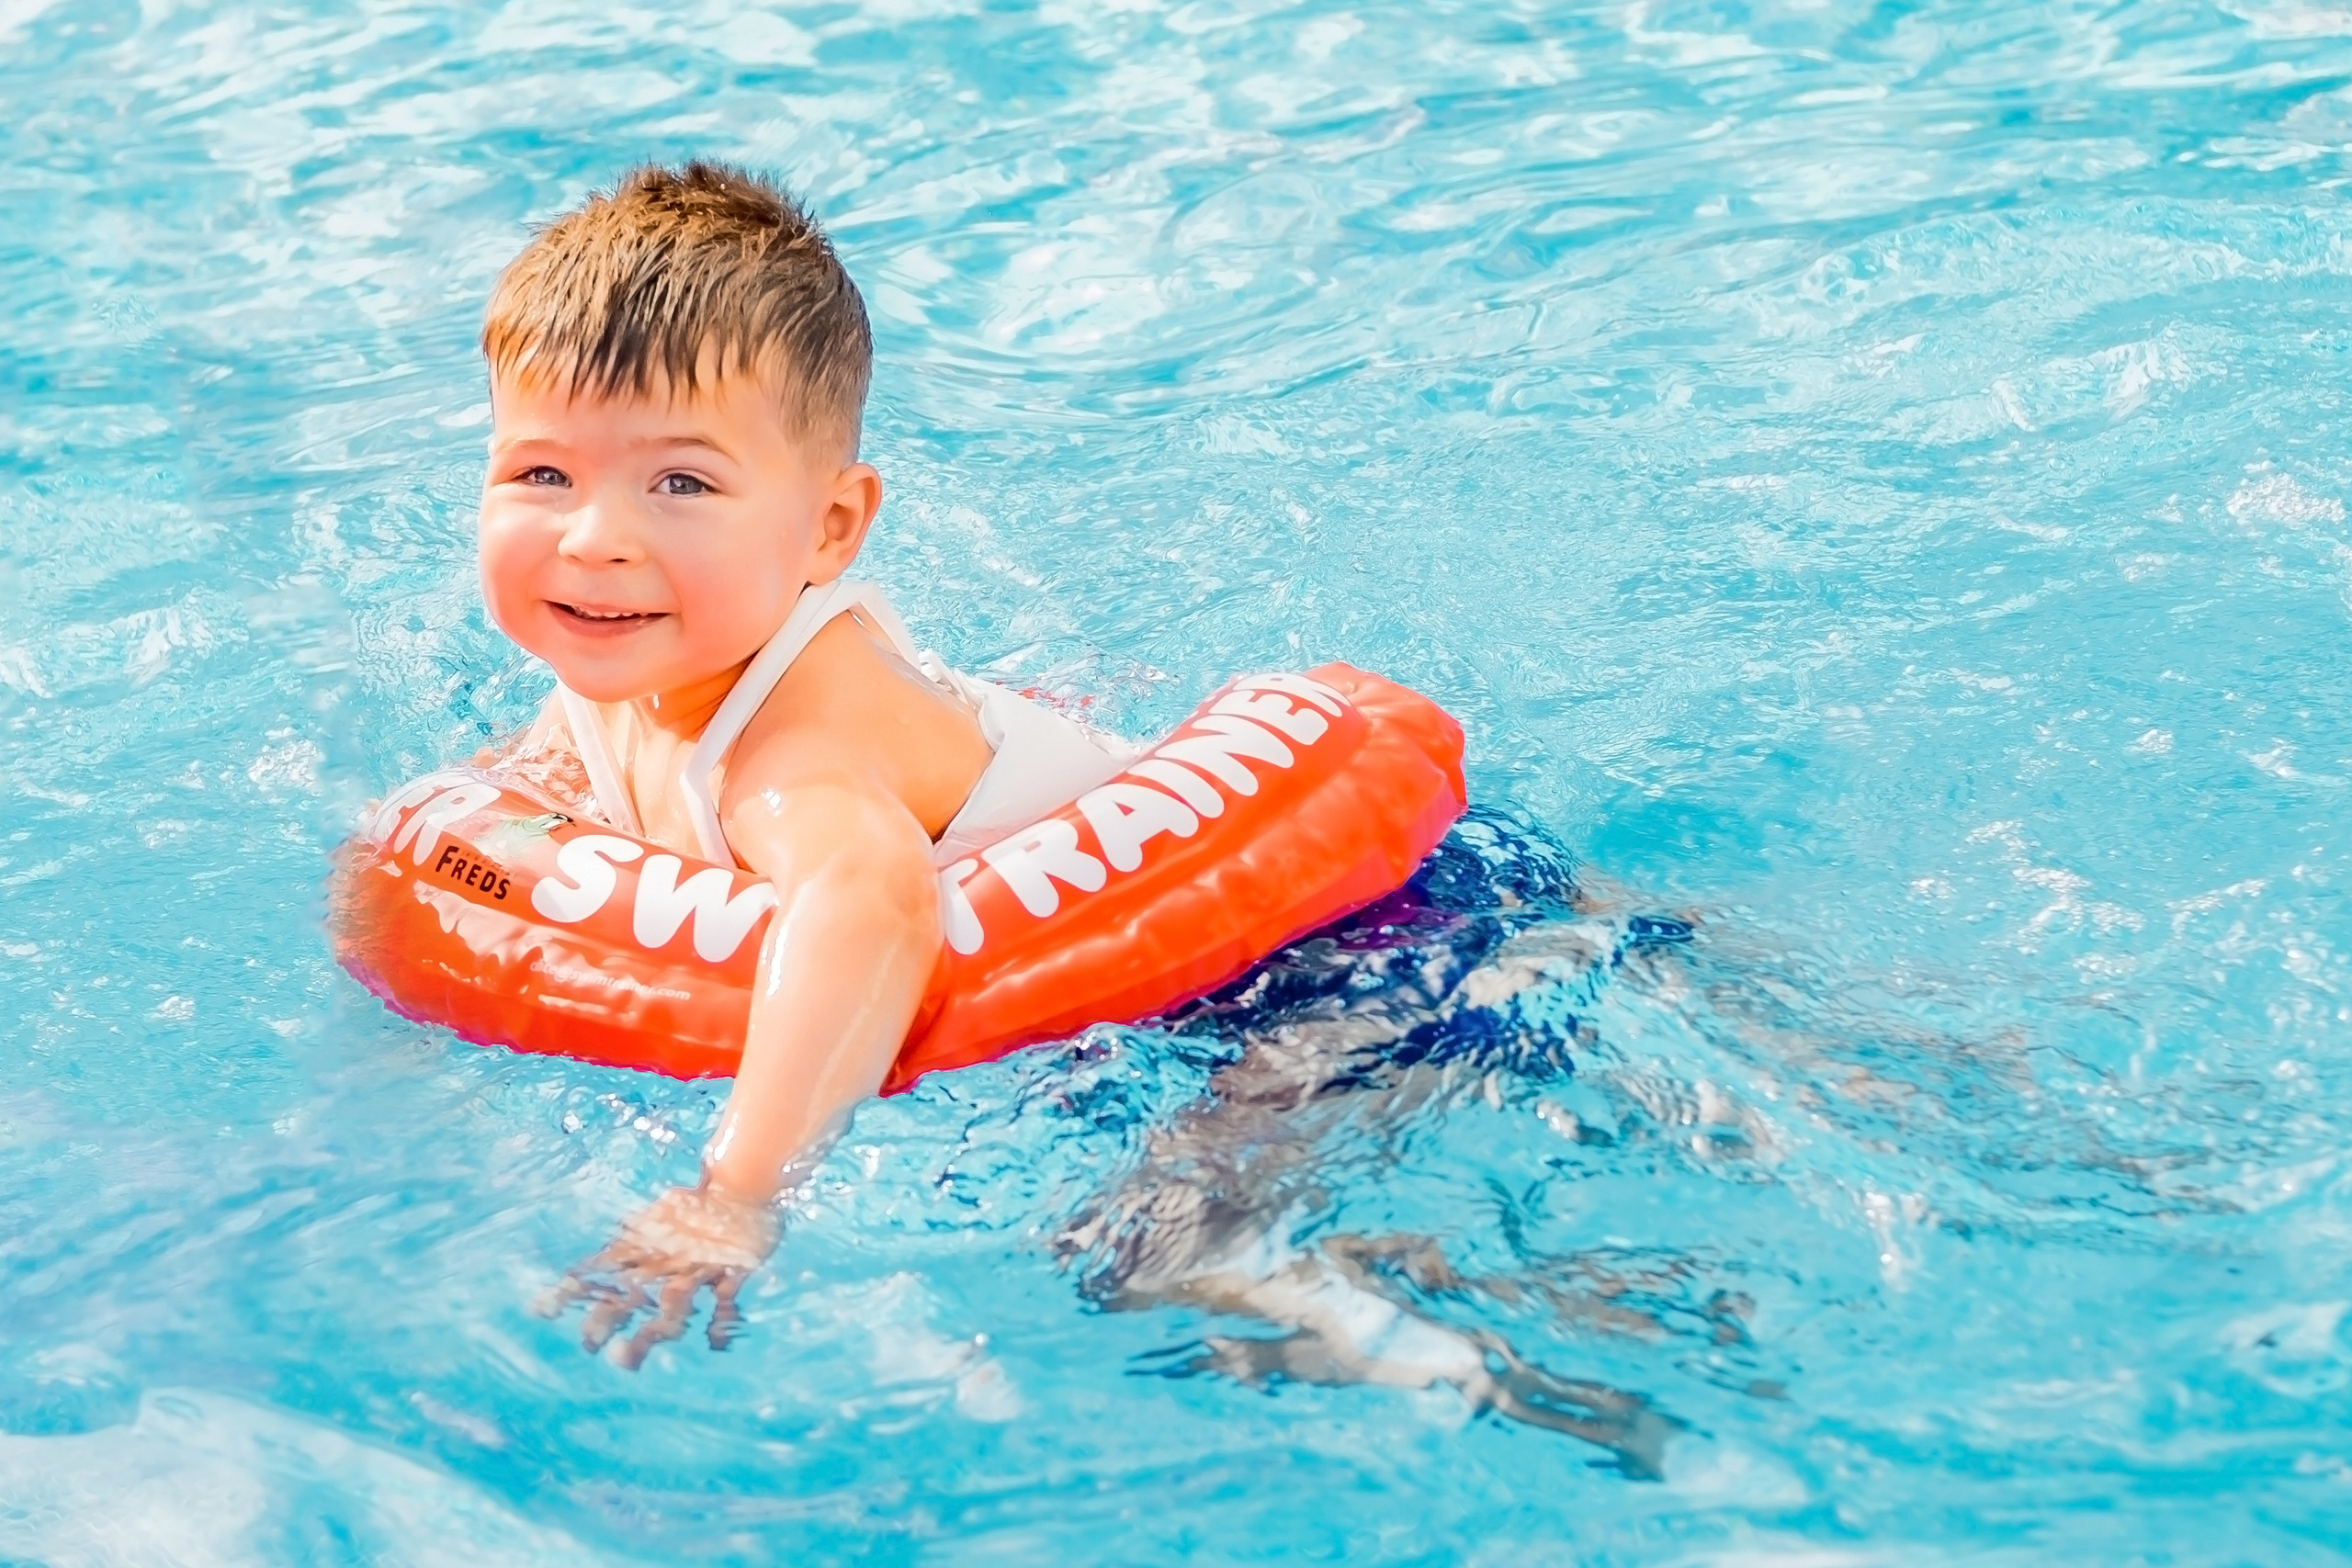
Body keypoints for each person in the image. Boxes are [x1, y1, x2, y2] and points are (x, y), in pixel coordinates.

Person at [477, 161, 1125, 1368]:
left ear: (830, 528)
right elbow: (518, 806)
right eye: (542, 473)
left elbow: (868, 898)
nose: (595, 537)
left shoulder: (797, 740)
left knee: (1161, 1274)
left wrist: (734, 1196)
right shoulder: (616, 654)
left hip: (1309, 981)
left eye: (681, 482)